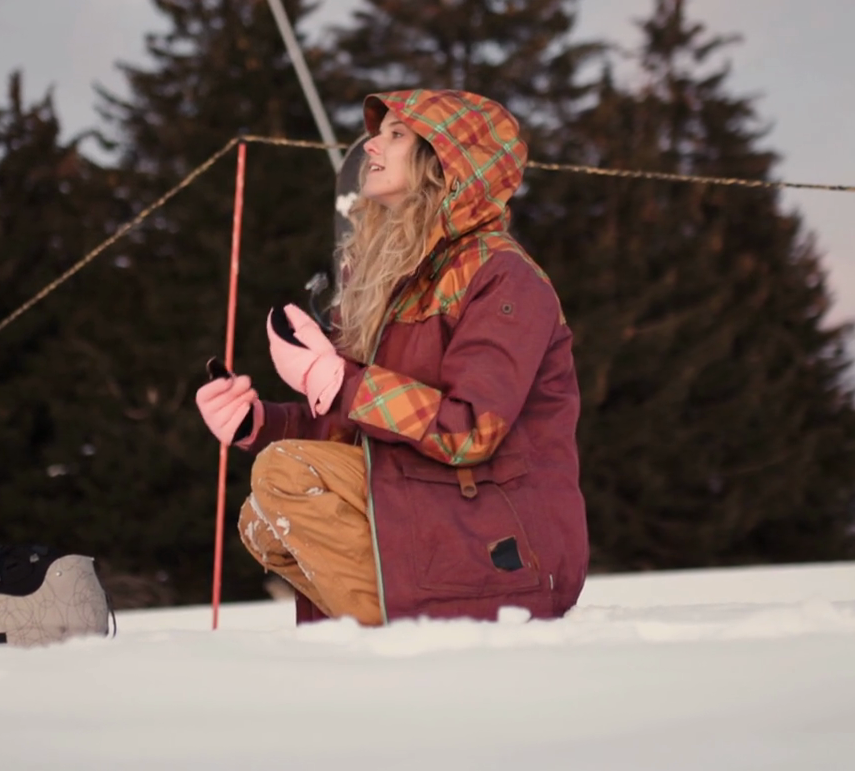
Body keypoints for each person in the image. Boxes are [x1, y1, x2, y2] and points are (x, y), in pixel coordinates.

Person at [194, 89, 587, 625]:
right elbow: (356, 429)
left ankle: (396, 641)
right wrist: (258, 422)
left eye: (396, 134)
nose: (371, 146)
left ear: (446, 159)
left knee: (285, 475)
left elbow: (470, 430)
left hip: (501, 543)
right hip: (420, 508)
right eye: (378, 134)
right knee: (259, 518)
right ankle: (379, 642)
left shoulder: (502, 276)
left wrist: (339, 381)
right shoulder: (390, 277)